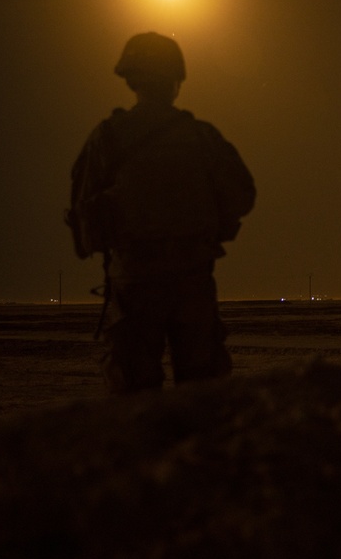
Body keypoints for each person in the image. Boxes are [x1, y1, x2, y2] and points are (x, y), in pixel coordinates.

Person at [66, 32, 256, 394]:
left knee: (134, 393)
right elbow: (242, 195)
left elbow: (83, 209)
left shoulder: (108, 137)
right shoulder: (200, 137)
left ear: (131, 80)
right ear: (176, 81)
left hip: (134, 278)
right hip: (192, 276)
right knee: (203, 391)